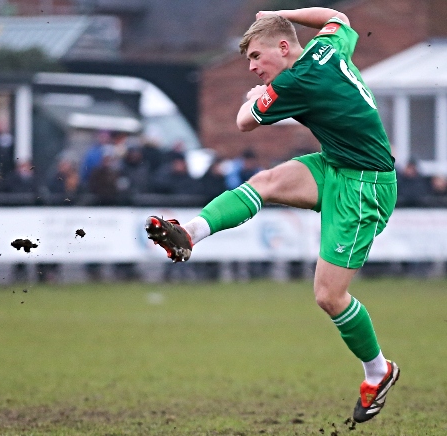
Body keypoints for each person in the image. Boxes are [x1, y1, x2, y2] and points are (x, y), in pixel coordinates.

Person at [144, 7, 399, 423]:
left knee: (329, 296)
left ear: (283, 48)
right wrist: (281, 13)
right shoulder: (325, 47)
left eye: (257, 58)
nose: (251, 67)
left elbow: (244, 123)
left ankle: (378, 371)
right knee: (265, 182)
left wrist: (254, 98)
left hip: (365, 186)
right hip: (336, 163)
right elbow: (338, 17)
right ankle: (189, 232)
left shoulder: (299, 80)